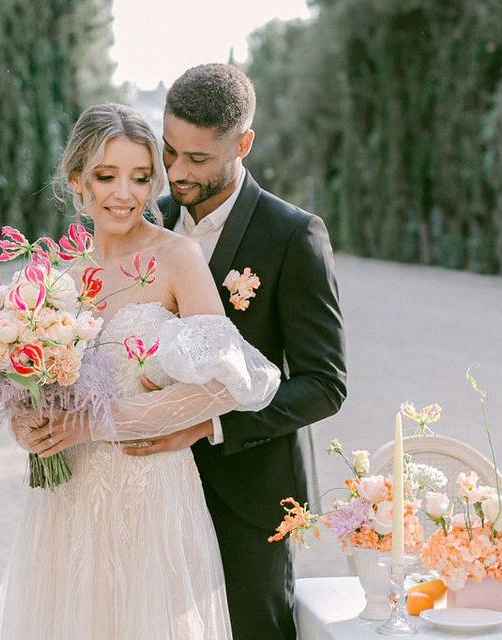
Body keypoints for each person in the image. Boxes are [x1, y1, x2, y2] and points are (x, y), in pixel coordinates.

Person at [0, 103, 280, 640]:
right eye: (106, 176)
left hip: (151, 491)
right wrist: (24, 425)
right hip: (66, 496)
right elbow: (25, 381)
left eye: (140, 178)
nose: (125, 193)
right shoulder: (53, 271)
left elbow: (221, 387)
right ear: (77, 180)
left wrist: (100, 423)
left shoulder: (177, 258)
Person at [122, 64, 347, 640]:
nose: (175, 172)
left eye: (197, 160)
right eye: (170, 151)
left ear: (242, 144)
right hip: (149, 492)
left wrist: (208, 426)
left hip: (249, 498)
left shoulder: (293, 236)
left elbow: (324, 384)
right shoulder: (146, 226)